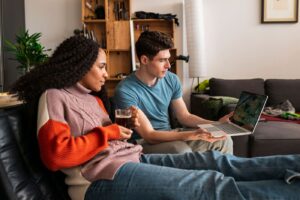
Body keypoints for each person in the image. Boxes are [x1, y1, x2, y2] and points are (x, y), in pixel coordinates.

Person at [11, 35, 300, 200]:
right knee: (207, 185)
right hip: (97, 180)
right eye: (100, 67)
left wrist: (116, 132)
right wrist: (109, 133)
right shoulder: (54, 97)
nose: (105, 73)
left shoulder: (92, 98)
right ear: (79, 66)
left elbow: (182, 116)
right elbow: (56, 156)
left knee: (216, 161)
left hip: (130, 159)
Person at [114, 31, 233, 154]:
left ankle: (220, 173)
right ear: (144, 60)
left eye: (168, 59)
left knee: (224, 139)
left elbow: (185, 117)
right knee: (181, 150)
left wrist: (217, 125)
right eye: (162, 60)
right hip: (143, 142)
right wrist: (190, 134)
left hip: (171, 135)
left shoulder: (171, 79)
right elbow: (149, 135)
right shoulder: (125, 91)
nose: (168, 66)